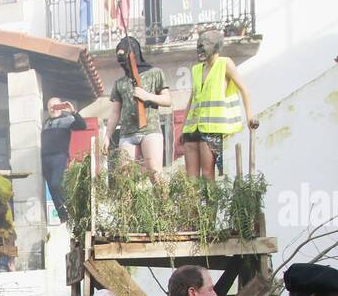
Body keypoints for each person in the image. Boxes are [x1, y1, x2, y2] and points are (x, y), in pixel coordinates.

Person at [181, 29, 258, 181]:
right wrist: (183, 127)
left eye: (205, 44)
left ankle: (210, 199)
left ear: (216, 46)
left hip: (212, 127)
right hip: (192, 127)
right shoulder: (196, 70)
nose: (200, 47)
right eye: (198, 44)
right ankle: (192, 199)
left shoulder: (225, 64)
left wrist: (250, 117)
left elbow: (244, 90)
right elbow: (192, 99)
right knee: (191, 178)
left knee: (207, 175)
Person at [105, 37, 171, 180]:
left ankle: (163, 196)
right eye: (119, 59)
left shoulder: (155, 73)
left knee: (155, 174)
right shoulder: (119, 83)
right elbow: (115, 113)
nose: (122, 63)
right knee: (125, 179)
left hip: (150, 131)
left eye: (124, 57)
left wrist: (147, 96)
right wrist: (107, 137)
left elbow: (167, 100)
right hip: (127, 135)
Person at [40, 97, 89, 221]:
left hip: (59, 156)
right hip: (45, 159)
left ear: (61, 107)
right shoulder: (45, 123)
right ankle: (63, 217)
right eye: (51, 107)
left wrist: (73, 111)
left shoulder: (67, 119)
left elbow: (82, 126)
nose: (53, 109)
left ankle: (73, 207)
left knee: (56, 183)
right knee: (52, 189)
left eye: (56, 106)